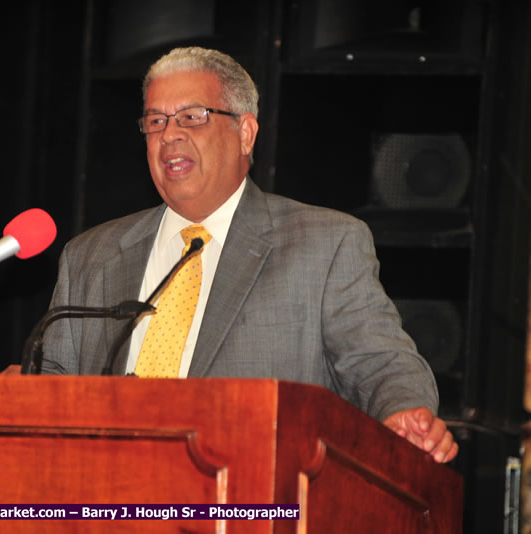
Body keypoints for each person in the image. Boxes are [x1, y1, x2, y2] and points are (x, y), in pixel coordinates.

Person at [40, 46, 458, 463]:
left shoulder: (325, 244)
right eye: (155, 121)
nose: (169, 135)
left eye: (192, 117)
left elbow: (381, 363)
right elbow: (49, 382)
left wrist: (403, 411)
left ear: (245, 133)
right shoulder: (90, 256)